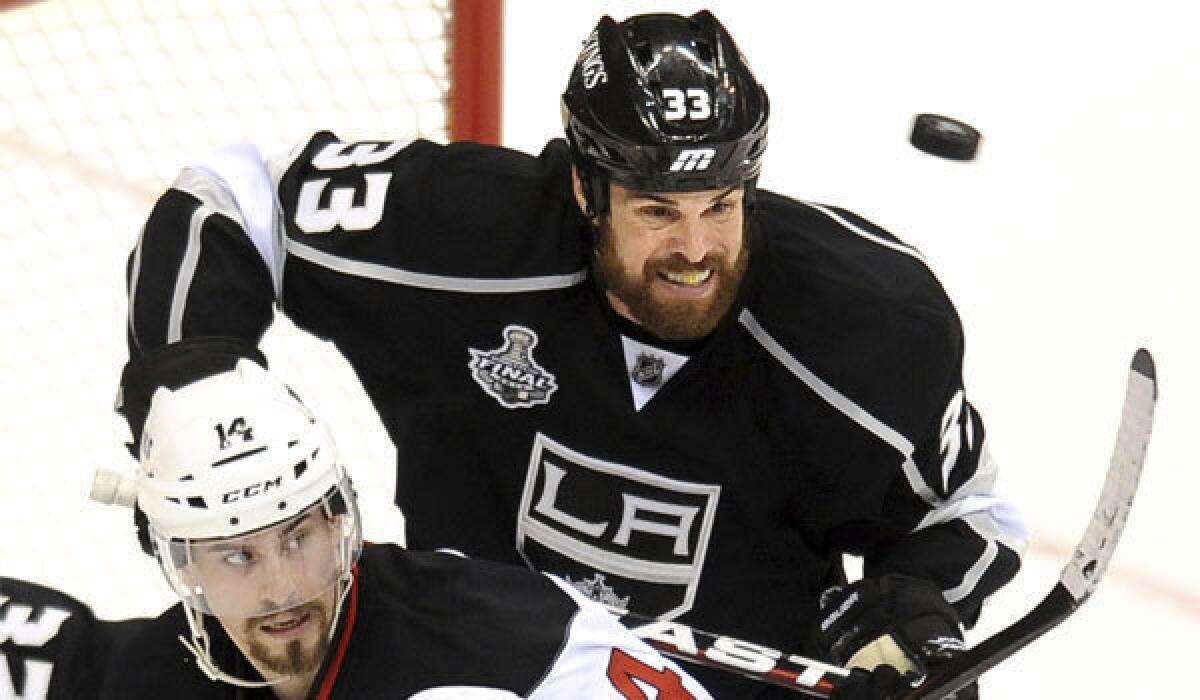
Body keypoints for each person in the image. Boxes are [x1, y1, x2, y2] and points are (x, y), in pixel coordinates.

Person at [121, 10, 1028, 698]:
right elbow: (233, 197)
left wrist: (915, 607)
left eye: (721, 203)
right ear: (587, 188)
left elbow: (969, 516)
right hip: (462, 673)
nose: (697, 248)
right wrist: (190, 386)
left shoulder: (865, 328)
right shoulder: (473, 239)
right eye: (657, 211)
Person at [93, 343, 715, 699]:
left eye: (298, 537)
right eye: (237, 555)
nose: (281, 588)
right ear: (180, 561)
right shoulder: (168, 666)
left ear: (341, 524)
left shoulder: (462, 672)